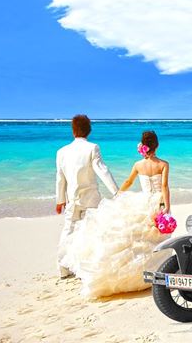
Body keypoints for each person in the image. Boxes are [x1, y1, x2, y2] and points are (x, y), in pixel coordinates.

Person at [59, 130, 173, 298]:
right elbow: (164, 187)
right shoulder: (163, 164)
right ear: (157, 145)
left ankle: (138, 272)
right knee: (155, 236)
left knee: (139, 238)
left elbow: (129, 181)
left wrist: (119, 194)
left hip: (143, 200)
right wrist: (167, 206)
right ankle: (158, 269)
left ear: (143, 146)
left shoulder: (138, 165)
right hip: (157, 201)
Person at [56, 114, 118, 279]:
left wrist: (60, 200)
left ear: (73, 131)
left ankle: (63, 268)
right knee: (91, 232)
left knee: (68, 231)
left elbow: (60, 178)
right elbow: (102, 171)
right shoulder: (92, 148)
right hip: (91, 199)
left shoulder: (61, 152)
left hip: (72, 199)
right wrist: (116, 192)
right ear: (89, 130)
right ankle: (87, 268)